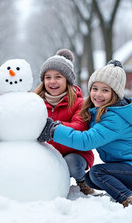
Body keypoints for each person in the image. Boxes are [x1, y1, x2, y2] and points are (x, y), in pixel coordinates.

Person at [38, 60, 132, 216]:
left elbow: (86, 140)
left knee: (97, 173)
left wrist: (54, 130)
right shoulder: (97, 112)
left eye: (105, 90)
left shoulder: (114, 118)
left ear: (115, 94)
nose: (98, 94)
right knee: (90, 178)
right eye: (94, 88)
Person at [34, 49, 95, 195]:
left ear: (67, 80)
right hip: (45, 154)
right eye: (48, 77)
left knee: (72, 163)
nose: (52, 81)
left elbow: (80, 127)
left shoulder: (79, 103)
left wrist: (55, 128)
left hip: (73, 153)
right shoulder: (35, 102)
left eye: (58, 77)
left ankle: (82, 182)